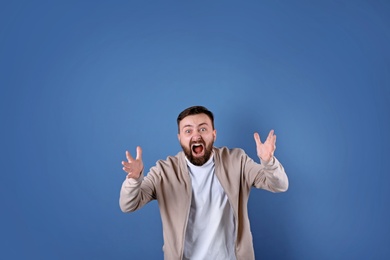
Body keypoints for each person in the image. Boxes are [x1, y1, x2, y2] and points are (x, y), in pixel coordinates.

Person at [119, 105, 288, 260]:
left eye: (203, 128)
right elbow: (128, 205)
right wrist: (134, 179)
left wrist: (268, 162)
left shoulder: (237, 161)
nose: (196, 135)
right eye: (188, 131)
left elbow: (279, 184)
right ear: (179, 138)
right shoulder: (164, 171)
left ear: (214, 134)